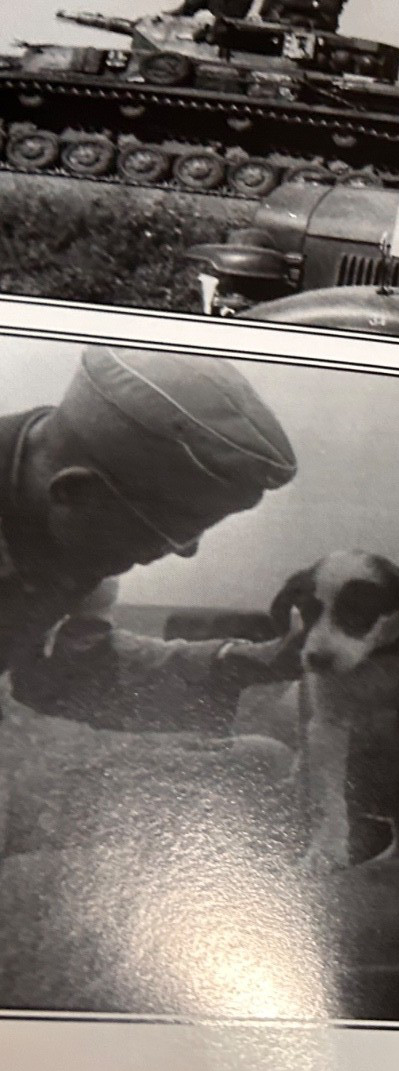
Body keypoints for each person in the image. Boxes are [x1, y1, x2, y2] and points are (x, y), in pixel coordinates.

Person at [0, 346, 305, 860]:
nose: (182, 554)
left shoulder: (73, 535)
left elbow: (73, 666)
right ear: (74, 492)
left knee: (259, 762)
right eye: (162, 536)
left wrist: (243, 663)